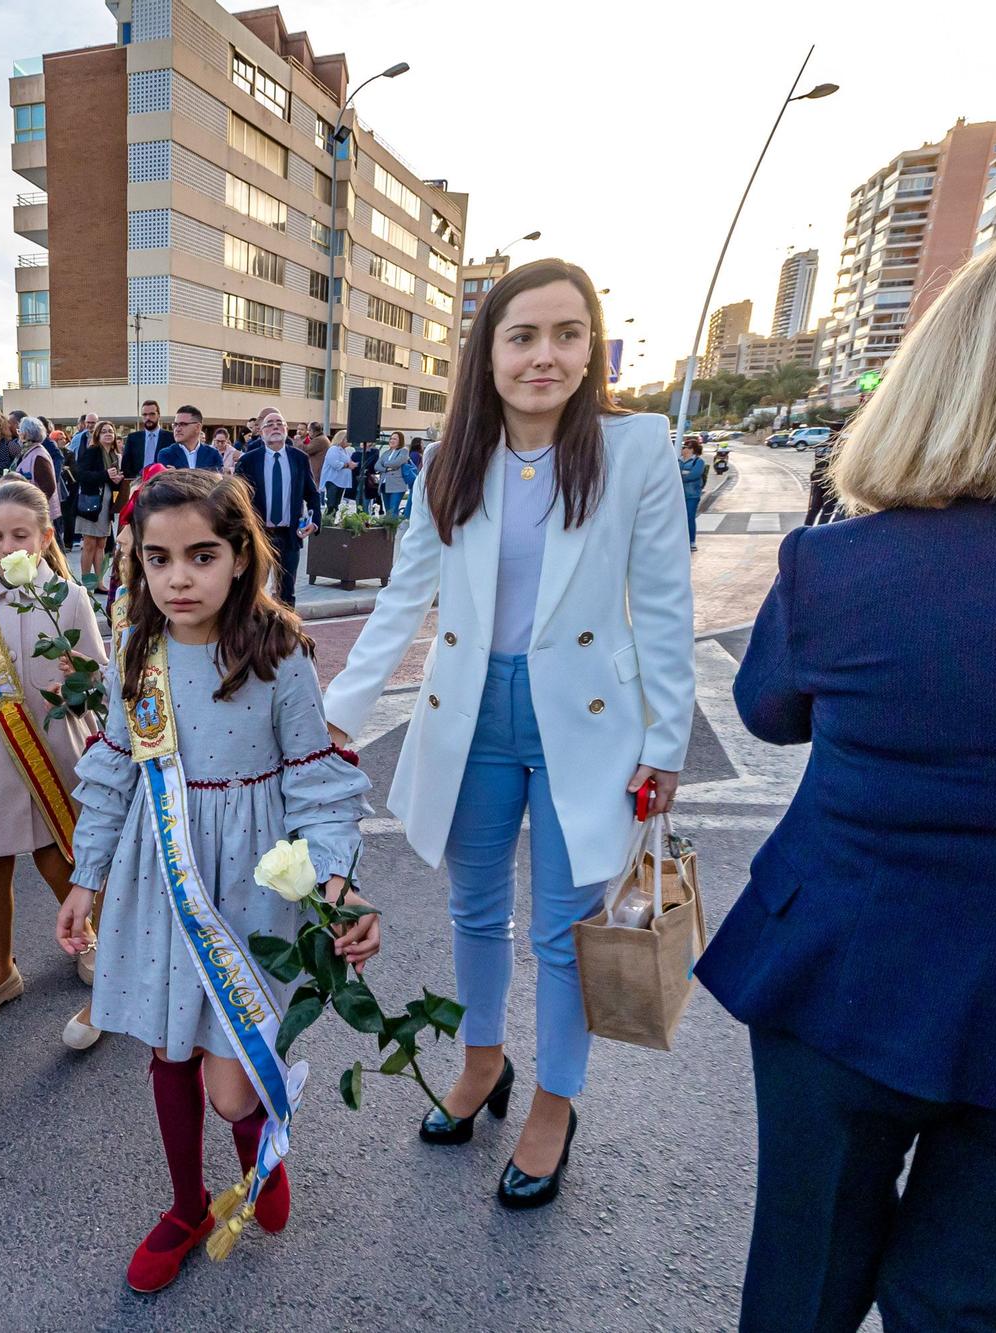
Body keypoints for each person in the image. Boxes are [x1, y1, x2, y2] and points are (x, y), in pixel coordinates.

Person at [696, 209, 996, 1333]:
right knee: (965, 1310)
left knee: (800, 1276)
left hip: (845, 971)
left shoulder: (842, 567)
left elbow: (766, 711)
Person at [319, 257, 694, 1209]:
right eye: (522, 336)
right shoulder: (451, 461)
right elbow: (404, 598)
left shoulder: (636, 448)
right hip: (470, 714)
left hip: (592, 723)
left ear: (592, 349)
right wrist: (336, 719)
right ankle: (483, 1060)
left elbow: (661, 605)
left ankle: (555, 1103)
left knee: (568, 932)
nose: (544, 356)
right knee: (475, 907)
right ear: (487, 354)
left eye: (567, 334)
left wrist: (666, 742)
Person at [59, 467, 376, 1293]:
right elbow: (114, 773)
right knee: (169, 1045)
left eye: (201, 555)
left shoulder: (278, 654)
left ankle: (257, 1145)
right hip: (161, 875)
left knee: (234, 1082)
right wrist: (85, 879)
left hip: (254, 881)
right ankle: (185, 1201)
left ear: (241, 555)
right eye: (158, 559)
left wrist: (336, 882)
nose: (178, 577)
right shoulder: (142, 657)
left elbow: (318, 780)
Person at [0, 480, 108, 1045]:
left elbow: (99, 676)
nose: (6, 546)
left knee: (61, 854)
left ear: (44, 537)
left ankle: (91, 941)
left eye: (19, 535)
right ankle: (3, 970)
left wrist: (79, 675)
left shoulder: (68, 596)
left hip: (56, 746)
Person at [233, 407, 321, 605]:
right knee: (253, 590)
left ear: (286, 429)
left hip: (289, 536)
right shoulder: (249, 460)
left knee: (286, 592)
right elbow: (236, 498)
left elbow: (312, 494)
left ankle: (285, 632)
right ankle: (252, 632)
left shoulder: (299, 458)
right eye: (269, 425)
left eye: (279, 423)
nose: (274, 427)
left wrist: (314, 522)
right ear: (261, 432)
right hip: (258, 535)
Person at [73, 420, 121, 579]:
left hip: (106, 503)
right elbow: (81, 475)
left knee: (102, 544)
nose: (108, 434)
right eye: (104, 431)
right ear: (97, 435)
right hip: (91, 503)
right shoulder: (92, 451)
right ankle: (87, 582)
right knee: (89, 544)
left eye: (111, 431)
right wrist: (106, 475)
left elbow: (111, 481)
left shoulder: (114, 455)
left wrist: (116, 481)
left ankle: (99, 582)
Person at [11, 415, 61, 532]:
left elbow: (48, 487)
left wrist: (35, 506)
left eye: (19, 431)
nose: (18, 434)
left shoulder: (38, 455)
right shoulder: (28, 451)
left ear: (25, 434)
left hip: (38, 513)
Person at [120, 399, 173, 484]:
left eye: (152, 414)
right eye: (144, 415)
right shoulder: (133, 438)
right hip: (138, 485)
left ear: (159, 415)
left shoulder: (171, 438)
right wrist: (137, 481)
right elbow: (126, 466)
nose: (148, 418)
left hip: (163, 485)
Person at [154, 405, 220, 470]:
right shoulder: (166, 454)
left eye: (183, 424)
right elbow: (167, 480)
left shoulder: (213, 454)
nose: (177, 429)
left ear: (197, 427)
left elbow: (218, 479)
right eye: (175, 425)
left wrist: (178, 473)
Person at [678, 440, 707, 551]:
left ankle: (691, 541)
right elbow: (674, 473)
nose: (683, 449)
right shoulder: (678, 461)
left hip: (692, 495)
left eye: (686, 447)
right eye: (683, 447)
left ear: (692, 449)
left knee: (690, 517)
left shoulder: (698, 462)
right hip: (678, 495)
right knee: (678, 519)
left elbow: (694, 475)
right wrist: (684, 473)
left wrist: (682, 476)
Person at [378, 430, 411, 515]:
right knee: (388, 511)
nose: (392, 441)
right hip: (385, 484)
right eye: (391, 439)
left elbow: (396, 463)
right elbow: (377, 466)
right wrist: (386, 469)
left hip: (397, 485)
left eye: (395, 439)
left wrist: (384, 464)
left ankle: (393, 527)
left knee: (393, 510)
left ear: (400, 440)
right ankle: (388, 527)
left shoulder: (403, 451)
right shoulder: (386, 452)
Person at [320, 430, 355, 511]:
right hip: (333, 480)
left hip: (341, 481)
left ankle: (332, 519)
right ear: (341, 439)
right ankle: (328, 520)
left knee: (336, 504)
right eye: (347, 438)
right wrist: (347, 465)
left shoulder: (345, 451)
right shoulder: (333, 449)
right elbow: (335, 464)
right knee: (331, 504)